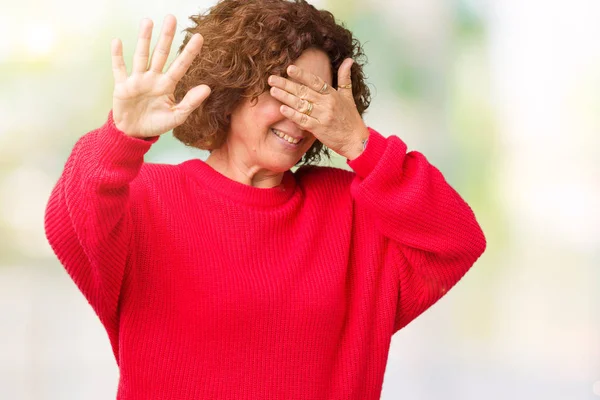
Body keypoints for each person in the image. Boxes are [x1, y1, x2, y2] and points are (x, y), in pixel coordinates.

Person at [44, 0, 486, 399]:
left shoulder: (351, 210)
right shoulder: (146, 199)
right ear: (231, 90)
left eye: (318, 98)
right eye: (285, 92)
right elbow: (70, 219)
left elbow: (457, 240)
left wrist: (359, 142)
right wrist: (122, 138)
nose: (301, 116)